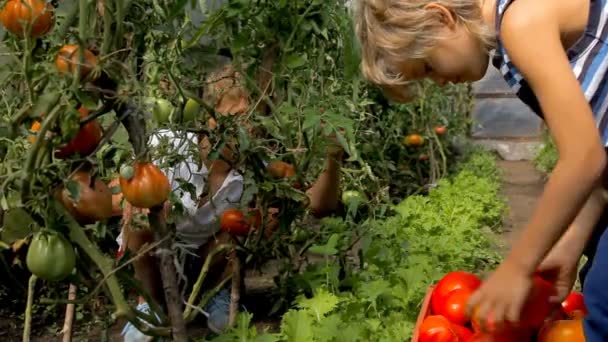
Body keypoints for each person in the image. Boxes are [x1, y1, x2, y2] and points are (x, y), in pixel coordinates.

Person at [354, 0, 608, 339]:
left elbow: (583, 158)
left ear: (440, 17)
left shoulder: (522, 24)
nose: (440, 82)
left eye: (428, 67)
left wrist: (517, 267)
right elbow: (601, 153)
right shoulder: (514, 36)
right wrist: (572, 242)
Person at [117, 62, 344, 341]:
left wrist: (333, 156)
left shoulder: (258, 170)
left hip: (207, 261)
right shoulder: (167, 146)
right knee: (138, 215)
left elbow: (317, 204)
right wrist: (144, 203)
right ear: (208, 115)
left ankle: (216, 294)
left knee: (248, 222)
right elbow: (117, 195)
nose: (246, 126)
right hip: (157, 255)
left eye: (253, 117)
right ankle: (147, 304)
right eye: (236, 114)